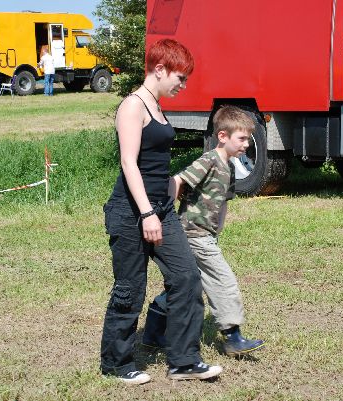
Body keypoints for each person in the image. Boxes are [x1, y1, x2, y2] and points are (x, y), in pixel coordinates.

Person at [100, 38, 222, 385]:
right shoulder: (132, 106)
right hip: (131, 212)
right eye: (179, 77)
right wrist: (146, 214)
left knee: (186, 278)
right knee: (130, 289)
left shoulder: (157, 106)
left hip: (161, 210)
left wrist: (172, 185)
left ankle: (183, 360)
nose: (182, 85)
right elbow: (129, 162)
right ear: (159, 69)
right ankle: (116, 363)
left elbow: (154, 163)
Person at [143, 105, 265, 357]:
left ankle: (153, 332)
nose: (246, 145)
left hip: (206, 235)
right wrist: (163, 216)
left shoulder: (230, 167)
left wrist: (219, 225)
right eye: (241, 138)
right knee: (223, 280)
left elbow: (224, 200)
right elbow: (177, 181)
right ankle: (233, 338)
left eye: (247, 139)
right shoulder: (209, 160)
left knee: (187, 287)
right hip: (192, 233)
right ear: (222, 136)